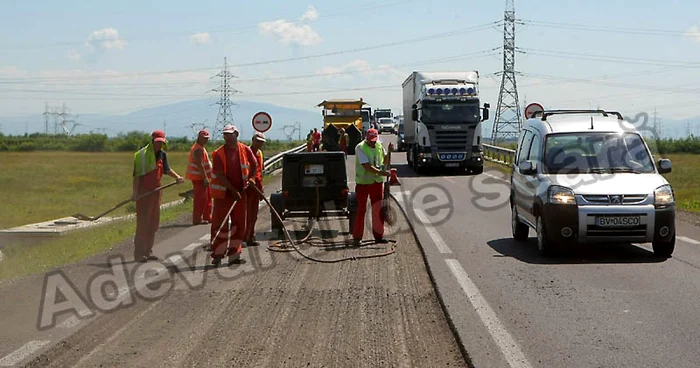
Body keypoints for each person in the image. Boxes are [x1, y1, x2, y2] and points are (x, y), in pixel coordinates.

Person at [132, 130, 184, 262]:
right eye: (157, 142)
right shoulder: (141, 155)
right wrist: (135, 193)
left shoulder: (162, 155)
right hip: (144, 194)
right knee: (143, 224)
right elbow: (137, 176)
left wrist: (177, 177)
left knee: (153, 224)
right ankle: (139, 254)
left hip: (156, 193)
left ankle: (148, 251)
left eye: (162, 143)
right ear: (152, 141)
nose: (159, 145)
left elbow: (166, 170)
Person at [209, 124, 258, 266]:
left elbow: (254, 164)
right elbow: (219, 174)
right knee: (220, 225)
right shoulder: (219, 154)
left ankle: (234, 255)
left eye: (230, 134)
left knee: (238, 224)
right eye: (225, 134)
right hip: (223, 195)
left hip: (241, 193)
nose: (227, 137)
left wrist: (252, 178)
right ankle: (218, 254)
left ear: (236, 134)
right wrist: (232, 190)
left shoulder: (245, 150)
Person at [352, 128, 393, 247]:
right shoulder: (360, 147)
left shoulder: (379, 146)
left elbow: (385, 161)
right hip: (363, 183)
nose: (373, 142)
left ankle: (379, 236)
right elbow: (366, 166)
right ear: (366, 138)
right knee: (361, 210)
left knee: (377, 209)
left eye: (374, 140)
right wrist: (381, 173)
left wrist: (389, 152)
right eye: (371, 140)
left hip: (376, 183)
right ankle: (357, 237)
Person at [186, 129, 212, 225]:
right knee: (200, 199)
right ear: (199, 138)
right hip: (199, 178)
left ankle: (207, 216)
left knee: (207, 197)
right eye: (204, 138)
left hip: (202, 178)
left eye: (207, 138)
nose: (206, 140)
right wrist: (205, 177)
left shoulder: (200, 147)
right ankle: (197, 219)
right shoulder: (198, 149)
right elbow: (199, 164)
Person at [245, 132, 266, 247]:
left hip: (256, 187)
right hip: (248, 187)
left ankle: (250, 237)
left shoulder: (260, 154)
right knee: (246, 214)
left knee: (253, 214)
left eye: (261, 142)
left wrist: (261, 188)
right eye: (257, 141)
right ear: (253, 140)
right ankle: (244, 237)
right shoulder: (246, 152)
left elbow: (260, 172)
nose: (259, 143)